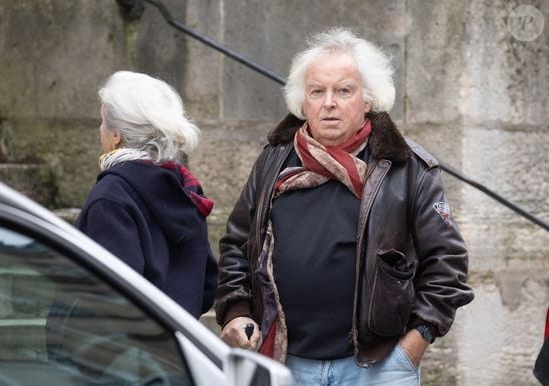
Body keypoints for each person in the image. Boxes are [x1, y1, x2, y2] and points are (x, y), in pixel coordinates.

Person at [215, 27, 474, 385]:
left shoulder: (405, 167)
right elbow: (237, 245)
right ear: (302, 101)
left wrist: (415, 343)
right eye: (317, 91)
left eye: (344, 90)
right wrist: (235, 311)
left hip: (377, 366)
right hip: (285, 361)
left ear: (368, 100)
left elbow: (448, 265)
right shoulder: (273, 160)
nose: (329, 103)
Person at [76, 70, 217, 318]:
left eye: (102, 122)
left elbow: (111, 301)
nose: (100, 130)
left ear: (116, 135)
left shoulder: (110, 197)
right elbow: (207, 285)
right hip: (178, 346)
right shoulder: (184, 188)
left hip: (129, 353)